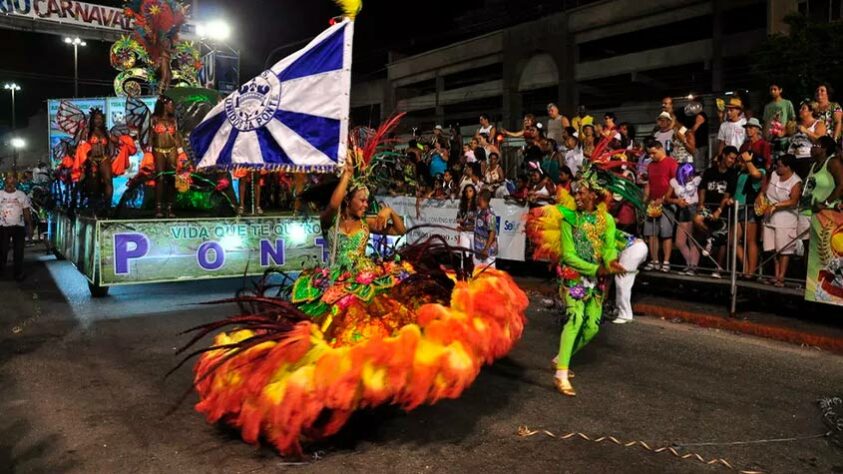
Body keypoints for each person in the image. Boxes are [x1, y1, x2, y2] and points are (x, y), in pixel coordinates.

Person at [182, 137, 529, 455]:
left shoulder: (366, 224)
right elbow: (332, 204)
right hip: (333, 282)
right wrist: (347, 175)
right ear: (349, 199)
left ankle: (367, 392)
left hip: (364, 279)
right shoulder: (331, 223)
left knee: (377, 325)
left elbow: (400, 230)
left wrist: (387, 213)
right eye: (360, 200)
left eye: (366, 200)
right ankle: (330, 396)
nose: (364, 205)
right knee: (326, 336)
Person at [528, 172, 624, 396]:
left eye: (582, 192)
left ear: (594, 195)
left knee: (591, 327)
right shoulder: (570, 219)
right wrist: (594, 268)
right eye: (577, 192)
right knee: (575, 317)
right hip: (573, 277)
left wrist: (611, 261)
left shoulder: (607, 220)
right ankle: (561, 374)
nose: (577, 196)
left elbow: (609, 246)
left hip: (597, 281)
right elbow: (569, 255)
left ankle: (561, 357)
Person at [695, 147, 738, 278]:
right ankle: (709, 237)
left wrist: (719, 210)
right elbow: (702, 188)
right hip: (708, 206)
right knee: (697, 220)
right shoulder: (710, 171)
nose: (732, 161)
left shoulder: (732, 174)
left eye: (734, 159)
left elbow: (728, 193)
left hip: (723, 209)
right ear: (723, 156)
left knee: (722, 240)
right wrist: (701, 204)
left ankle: (718, 268)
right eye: (731, 157)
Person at [761, 154, 802, 287]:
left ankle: (781, 277)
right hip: (770, 218)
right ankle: (775, 274)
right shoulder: (774, 175)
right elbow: (765, 188)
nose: (777, 168)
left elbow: (793, 201)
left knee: (784, 249)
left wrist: (776, 206)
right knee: (773, 248)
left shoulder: (796, 181)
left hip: (786, 219)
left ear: (788, 167)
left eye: (780, 166)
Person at [642, 141, 678, 272]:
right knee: (651, 233)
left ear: (661, 149)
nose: (651, 156)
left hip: (667, 203)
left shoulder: (671, 162)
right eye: (649, 153)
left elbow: (674, 183)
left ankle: (666, 261)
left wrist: (663, 199)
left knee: (666, 233)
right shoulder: (650, 165)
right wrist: (644, 199)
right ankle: (654, 260)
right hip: (652, 203)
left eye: (653, 153)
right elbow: (648, 184)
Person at [150, 96, 187, 218]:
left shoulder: (173, 120)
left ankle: (170, 207)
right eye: (171, 105)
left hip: (172, 150)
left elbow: (177, 137)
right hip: (158, 150)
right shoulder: (154, 118)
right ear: (165, 105)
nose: (173, 108)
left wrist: (181, 152)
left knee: (172, 178)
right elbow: (150, 136)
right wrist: (148, 152)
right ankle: (158, 207)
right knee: (160, 178)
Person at [733, 148, 766, 278]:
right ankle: (746, 267)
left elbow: (756, 175)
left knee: (750, 240)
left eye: (742, 161)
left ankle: (751, 271)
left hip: (750, 208)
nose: (740, 163)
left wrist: (748, 161)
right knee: (733, 240)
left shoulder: (759, 171)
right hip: (738, 208)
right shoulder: (741, 172)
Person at [74, 108, 114, 212]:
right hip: (91, 159)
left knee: (109, 181)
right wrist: (87, 158)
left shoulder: (106, 133)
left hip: (104, 158)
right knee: (92, 184)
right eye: (96, 118)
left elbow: (112, 145)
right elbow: (81, 146)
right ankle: (90, 204)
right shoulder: (87, 132)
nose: (98, 120)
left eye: (100, 118)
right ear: (92, 120)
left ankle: (108, 206)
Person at [666, 163, 702, 275]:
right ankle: (689, 263)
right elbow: (667, 198)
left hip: (693, 208)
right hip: (682, 210)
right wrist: (677, 201)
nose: (688, 177)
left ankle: (694, 266)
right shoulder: (674, 181)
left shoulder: (697, 180)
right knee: (679, 241)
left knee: (692, 239)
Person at [0, 174, 33, 281]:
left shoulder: (21, 195)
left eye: (12, 183)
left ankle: (18, 274)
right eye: (8, 183)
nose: (10, 185)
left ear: (15, 184)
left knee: (18, 251)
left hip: (19, 227)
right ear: (5, 183)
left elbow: (26, 211)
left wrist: (30, 226)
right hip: (3, 227)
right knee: (2, 250)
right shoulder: (0, 194)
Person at [612, 231, 648, 324]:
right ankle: (621, 310)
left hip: (633, 249)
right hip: (639, 247)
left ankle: (624, 315)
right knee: (623, 280)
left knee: (622, 281)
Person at [788, 100, 826, 180]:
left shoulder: (819, 124)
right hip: (791, 157)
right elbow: (782, 135)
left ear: (811, 111)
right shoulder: (795, 124)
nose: (800, 110)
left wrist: (806, 131)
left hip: (806, 158)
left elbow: (820, 141)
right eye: (800, 108)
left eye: (803, 108)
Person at [473, 189, 498, 270]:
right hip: (478, 250)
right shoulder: (480, 211)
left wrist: (486, 249)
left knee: (490, 277)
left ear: (484, 200)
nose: (477, 201)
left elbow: (492, 232)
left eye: (479, 199)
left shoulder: (490, 214)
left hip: (488, 252)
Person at [457, 184, 478, 262]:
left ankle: (473, 270)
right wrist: (462, 221)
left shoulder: (477, 205)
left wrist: (471, 218)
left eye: (470, 191)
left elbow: (478, 220)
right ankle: (464, 270)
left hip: (474, 232)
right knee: (464, 253)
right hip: (464, 231)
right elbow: (458, 219)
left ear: (474, 192)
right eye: (466, 191)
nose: (468, 193)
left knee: (474, 254)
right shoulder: (462, 204)